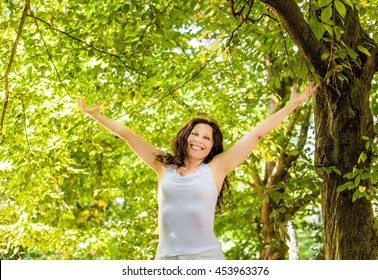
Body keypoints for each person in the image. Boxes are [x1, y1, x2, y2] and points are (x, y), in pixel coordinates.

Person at [77, 82, 319, 260]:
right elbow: (127, 134)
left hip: (205, 258)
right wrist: (97, 116)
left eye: (207, 137)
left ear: (212, 146)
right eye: (195, 133)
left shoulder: (216, 168)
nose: (199, 140)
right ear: (185, 137)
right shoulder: (163, 166)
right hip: (166, 259)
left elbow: (256, 134)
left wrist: (292, 105)